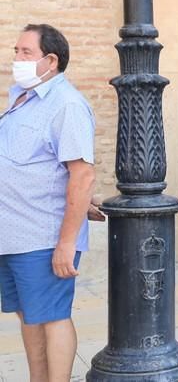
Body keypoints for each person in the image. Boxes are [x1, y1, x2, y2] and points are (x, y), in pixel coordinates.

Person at [0, 24, 104, 381]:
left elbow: (82, 175)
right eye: (16, 51)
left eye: (25, 53)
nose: (16, 59)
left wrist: (66, 242)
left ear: (51, 60)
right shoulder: (22, 97)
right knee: (30, 317)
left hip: (43, 236)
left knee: (52, 316)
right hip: (13, 234)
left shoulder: (67, 104)